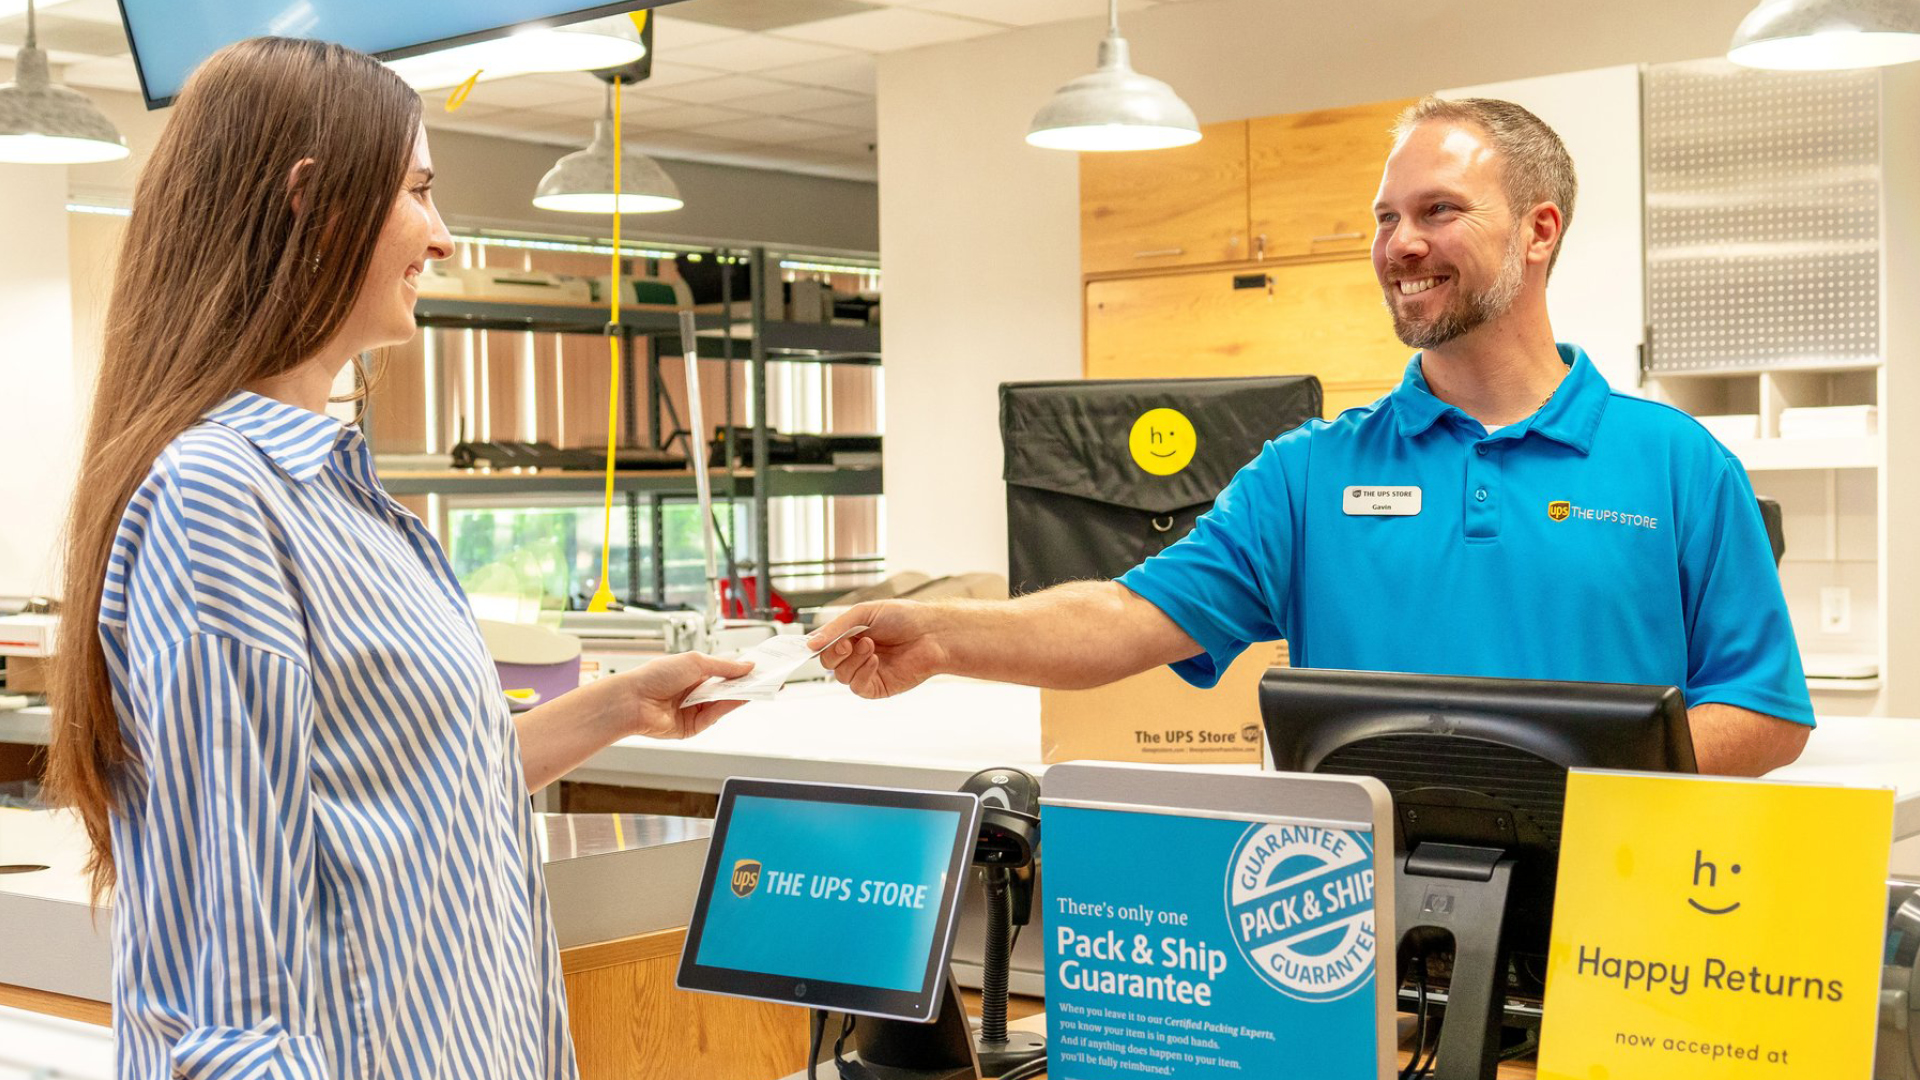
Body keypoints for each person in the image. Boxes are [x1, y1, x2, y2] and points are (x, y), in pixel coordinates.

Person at [45, 38, 750, 1079]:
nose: (446, 237)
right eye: (419, 190)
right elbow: (232, 999)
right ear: (314, 205)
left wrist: (618, 707)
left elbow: (394, 792)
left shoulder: (337, 494)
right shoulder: (222, 501)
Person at [813, 96, 1812, 777]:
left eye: (1440, 210)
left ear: (1539, 230)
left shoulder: (1679, 467)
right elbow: (1121, 618)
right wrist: (942, 636)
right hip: (1369, 945)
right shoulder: (1308, 474)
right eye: (1385, 218)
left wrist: (1557, 783)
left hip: (1619, 944)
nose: (1400, 246)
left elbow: (1766, 713)